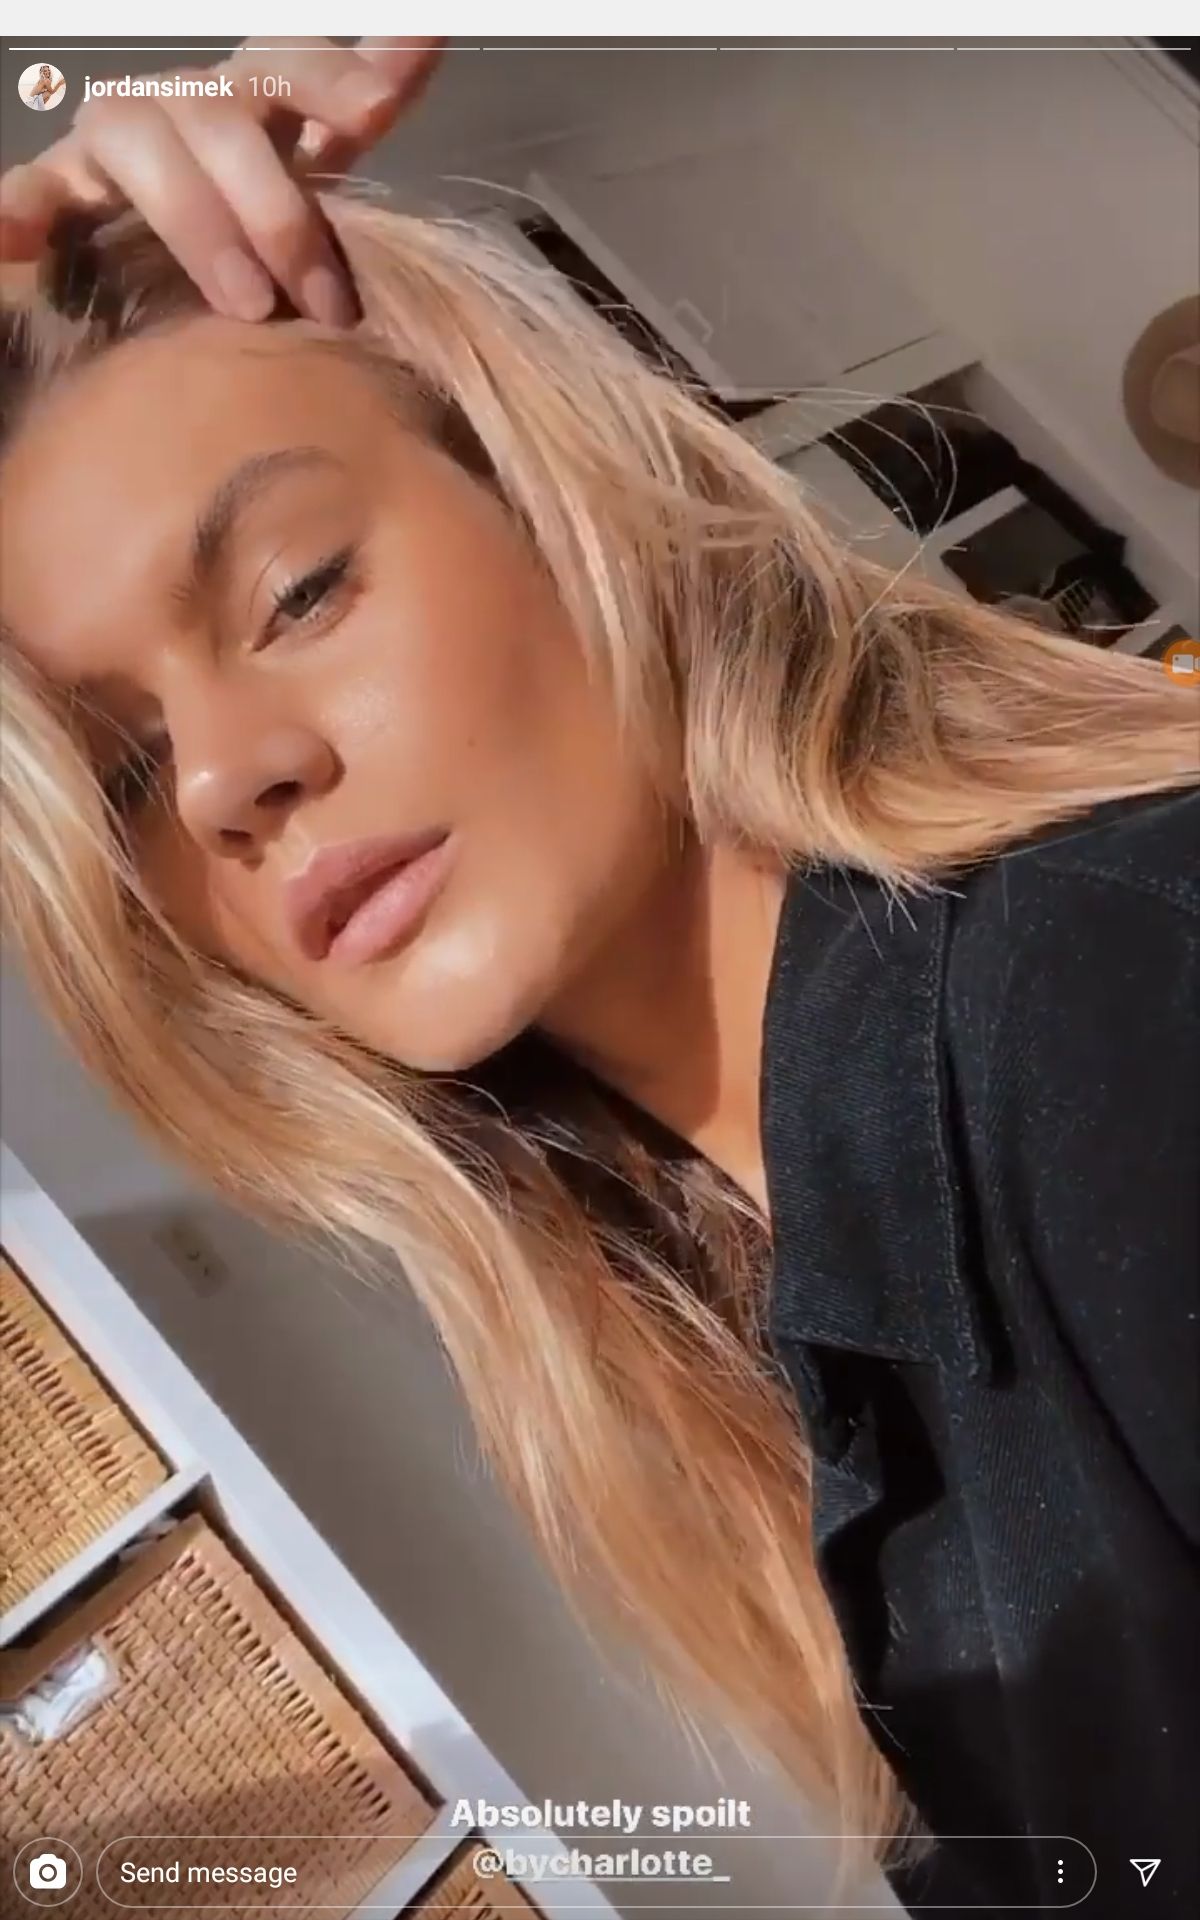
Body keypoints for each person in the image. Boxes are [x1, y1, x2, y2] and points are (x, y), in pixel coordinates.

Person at [1, 39, 1197, 1918]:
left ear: (561, 502)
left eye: (299, 591)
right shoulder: (739, 1344)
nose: (228, 778)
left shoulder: (1120, 999)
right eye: (131, 772)